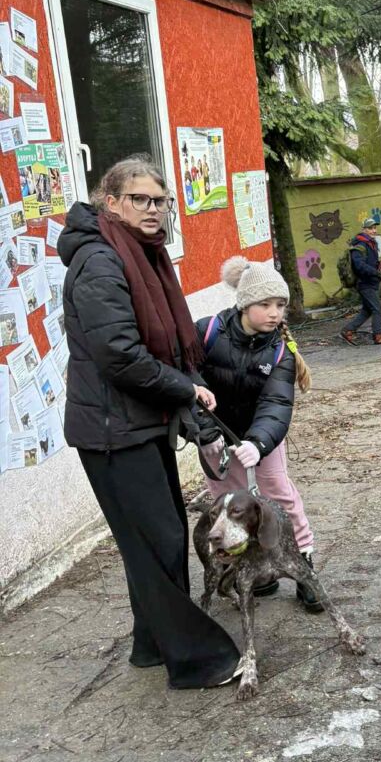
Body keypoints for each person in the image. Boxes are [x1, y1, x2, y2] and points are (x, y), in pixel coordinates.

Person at [58, 157, 241, 689]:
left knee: (158, 537)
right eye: (140, 199)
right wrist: (184, 387)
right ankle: (197, 660)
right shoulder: (100, 260)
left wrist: (186, 385)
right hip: (111, 432)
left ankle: (151, 645)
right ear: (111, 202)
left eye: (160, 201)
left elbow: (155, 343)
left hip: (138, 422)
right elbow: (118, 353)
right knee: (155, 541)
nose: (153, 209)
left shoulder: (142, 253)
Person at [194, 256, 322, 608]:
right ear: (245, 303)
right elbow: (186, 379)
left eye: (280, 305)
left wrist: (258, 442)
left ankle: (303, 566)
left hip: (260, 438)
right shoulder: (206, 332)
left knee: (279, 496)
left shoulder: (279, 350)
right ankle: (250, 568)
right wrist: (205, 432)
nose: (274, 313)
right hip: (214, 439)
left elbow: (276, 403)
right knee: (227, 503)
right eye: (265, 304)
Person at [341, 217, 381, 345]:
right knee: (377, 309)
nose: (374, 231)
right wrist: (375, 272)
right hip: (364, 283)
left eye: (375, 228)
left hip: (371, 282)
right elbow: (359, 266)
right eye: (370, 228)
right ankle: (378, 337)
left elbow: (370, 262)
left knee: (367, 310)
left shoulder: (370, 243)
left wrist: (380, 265)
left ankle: (348, 330)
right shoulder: (360, 245)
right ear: (364, 229)